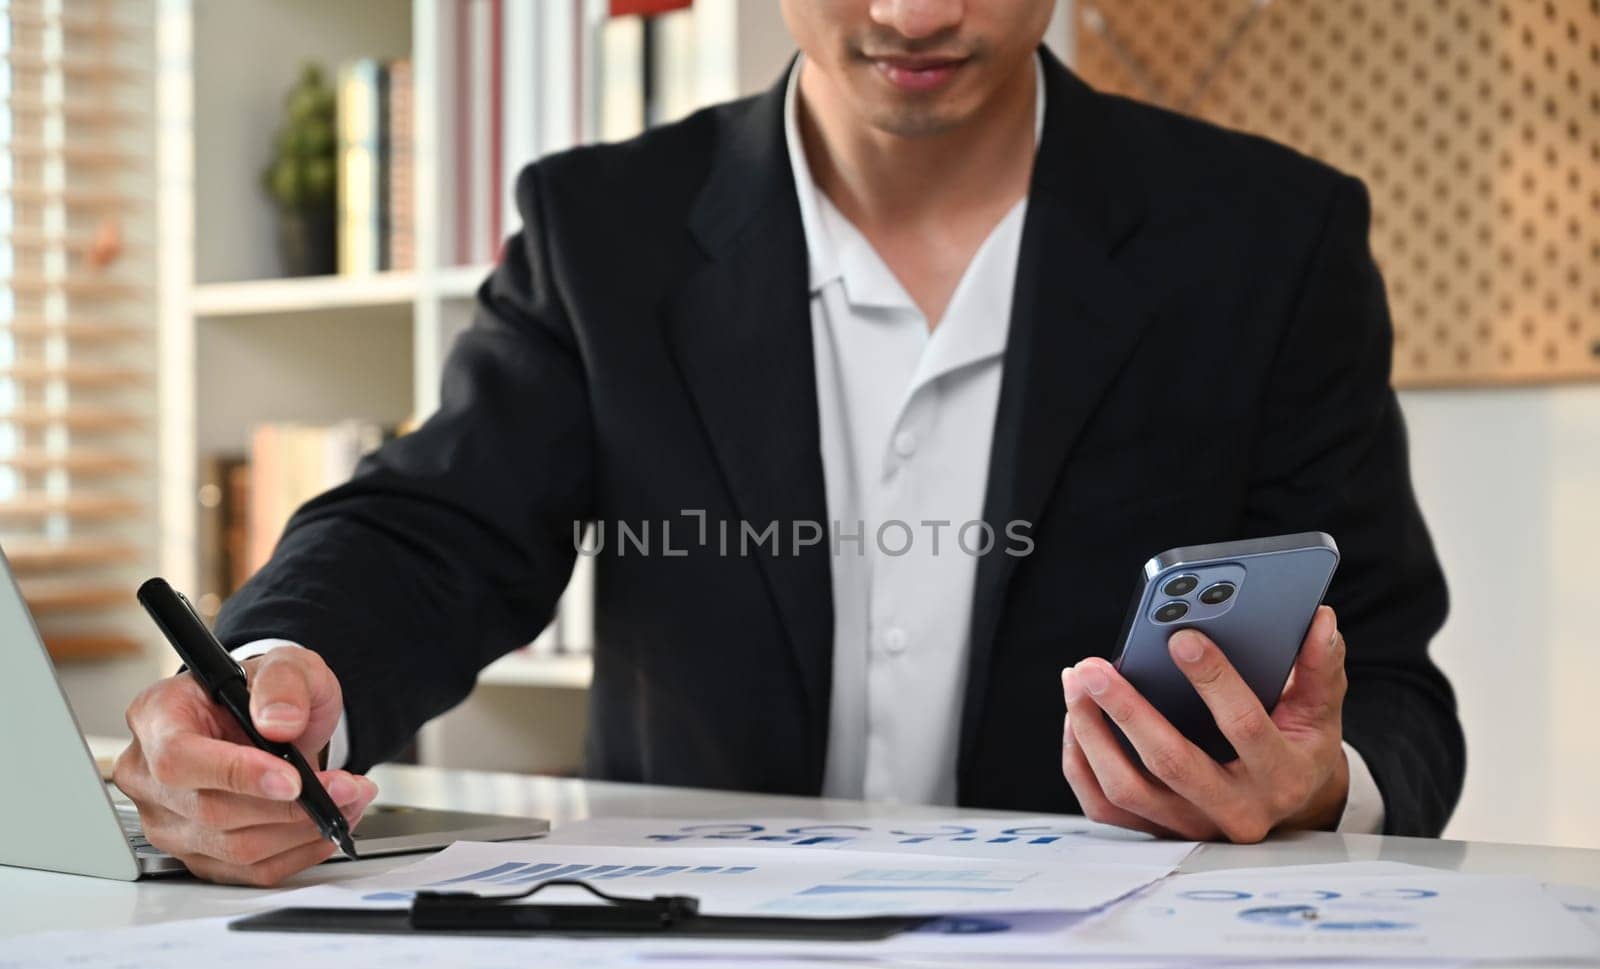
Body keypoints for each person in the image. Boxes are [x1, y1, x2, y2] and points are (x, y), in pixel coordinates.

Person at [114, 0, 1463, 886]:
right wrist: (271, 680)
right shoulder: (602, 230)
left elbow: (1398, 690)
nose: (913, 13)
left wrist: (1318, 787)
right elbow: (432, 529)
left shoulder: (1268, 241)